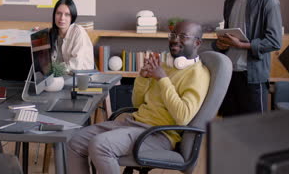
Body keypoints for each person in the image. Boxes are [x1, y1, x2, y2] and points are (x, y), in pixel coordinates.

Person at [67, 22, 210, 174]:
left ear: (197, 42)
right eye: (173, 35)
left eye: (183, 37)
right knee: (76, 141)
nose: (175, 40)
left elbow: (182, 117)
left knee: (101, 145)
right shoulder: (166, 65)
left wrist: (163, 80)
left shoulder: (198, 75)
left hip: (159, 135)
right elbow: (138, 103)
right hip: (134, 124)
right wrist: (142, 78)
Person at [214, 0, 282, 117]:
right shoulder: (229, 1)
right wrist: (221, 44)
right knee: (229, 127)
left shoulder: (268, 0)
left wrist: (242, 45)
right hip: (229, 73)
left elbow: (274, 41)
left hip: (252, 77)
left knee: (254, 130)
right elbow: (229, 36)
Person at [49, 0, 94, 70]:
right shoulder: (53, 33)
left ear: (72, 17)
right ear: (54, 15)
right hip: (62, 76)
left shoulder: (78, 32)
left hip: (80, 77)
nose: (62, 18)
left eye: (67, 14)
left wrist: (53, 69)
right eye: (58, 13)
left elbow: (75, 65)